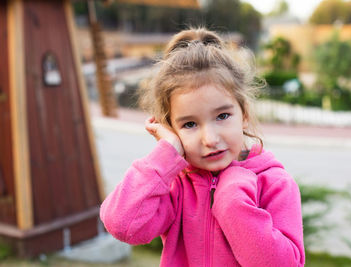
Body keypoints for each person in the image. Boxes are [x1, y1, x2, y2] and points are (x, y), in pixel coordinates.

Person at [100, 28, 305, 267]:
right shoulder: (176, 185)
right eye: (189, 124)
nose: (210, 138)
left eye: (222, 116)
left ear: (245, 114)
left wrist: (232, 201)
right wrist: (166, 154)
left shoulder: (275, 184)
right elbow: (122, 225)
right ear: (172, 129)